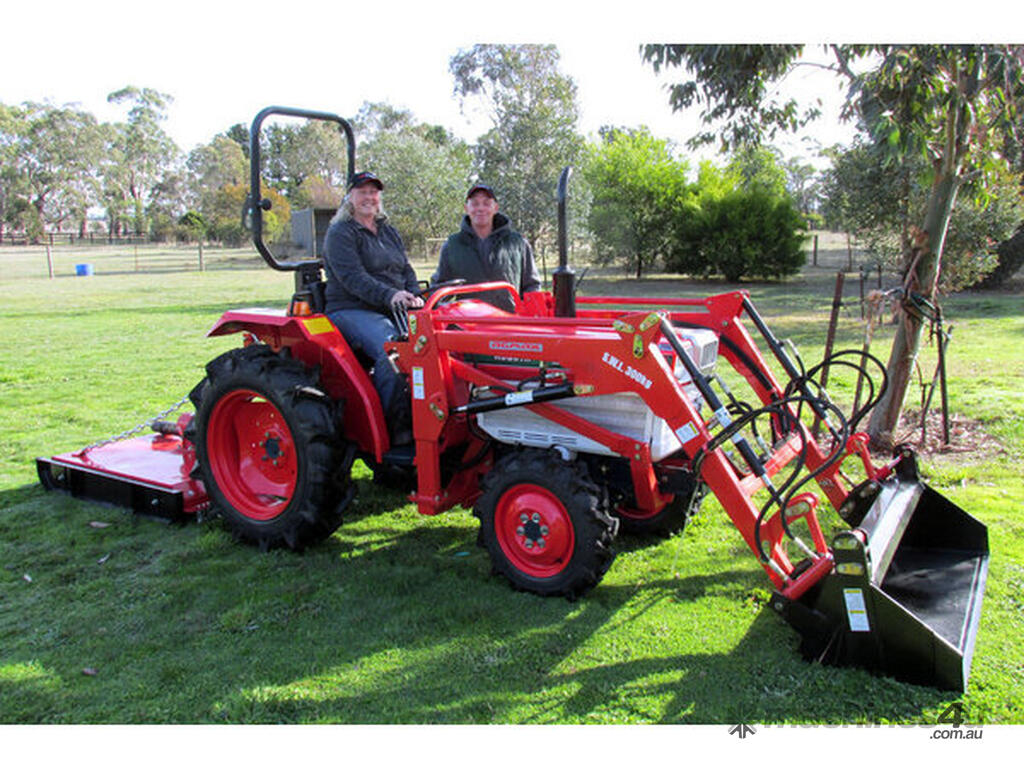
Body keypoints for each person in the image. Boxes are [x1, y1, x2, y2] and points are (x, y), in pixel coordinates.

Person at [323, 171, 422, 445]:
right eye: (362, 192)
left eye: (373, 192)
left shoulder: (388, 231)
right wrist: (391, 295)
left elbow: (406, 269)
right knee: (392, 349)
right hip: (351, 308)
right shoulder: (340, 233)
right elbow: (353, 278)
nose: (369, 197)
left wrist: (414, 296)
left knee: (436, 340)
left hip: (392, 307)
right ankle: (396, 432)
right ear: (350, 198)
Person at [432, 184, 541, 312]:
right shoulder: (452, 246)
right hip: (468, 326)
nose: (480, 208)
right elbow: (440, 289)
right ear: (466, 208)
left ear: (495, 208)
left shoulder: (518, 243)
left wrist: (527, 315)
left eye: (486, 203)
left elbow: (532, 286)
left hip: (511, 324)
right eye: (475, 204)